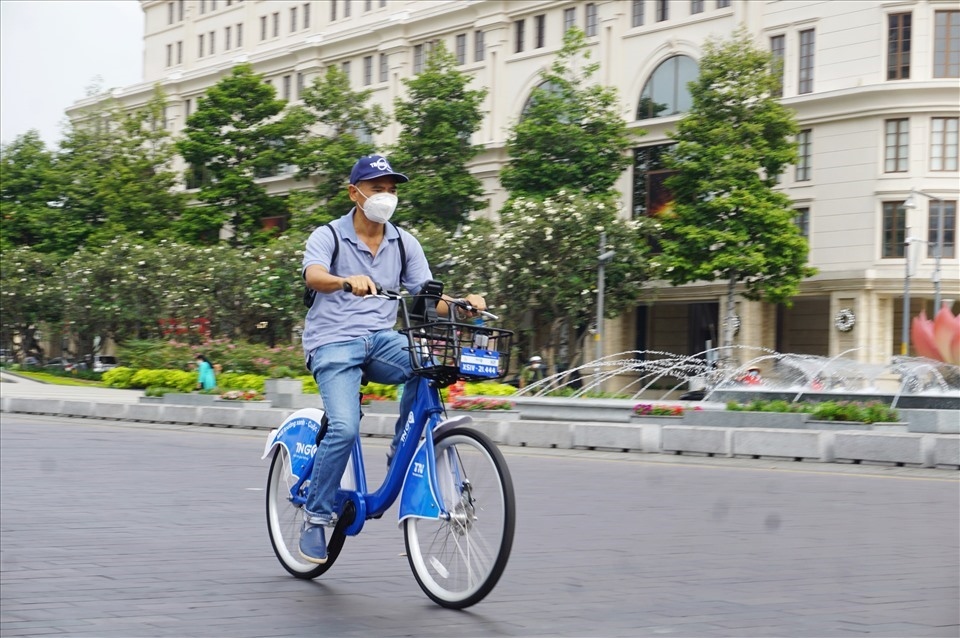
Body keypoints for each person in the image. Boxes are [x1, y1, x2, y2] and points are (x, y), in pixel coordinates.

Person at [298, 154, 486, 564]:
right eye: (377, 188)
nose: (386, 196)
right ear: (355, 192)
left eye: (392, 189)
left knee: (428, 365)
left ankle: (401, 441)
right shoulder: (328, 235)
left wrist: (463, 304)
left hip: (381, 340)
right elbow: (313, 275)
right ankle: (315, 515)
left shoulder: (404, 242)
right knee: (346, 428)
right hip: (332, 343)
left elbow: (427, 299)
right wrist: (346, 280)